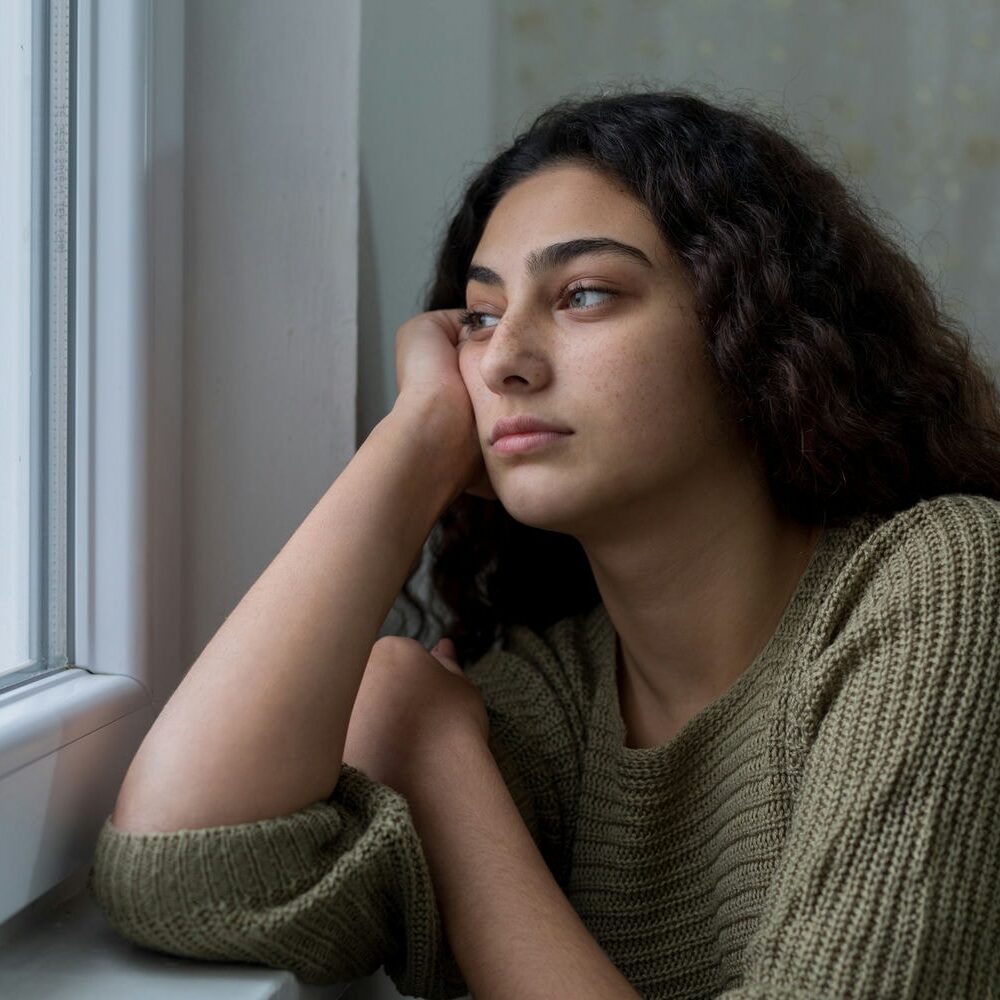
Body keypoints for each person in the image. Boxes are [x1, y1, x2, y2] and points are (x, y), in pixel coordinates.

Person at [87, 88, 1000, 999]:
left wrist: (440, 768)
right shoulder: (555, 700)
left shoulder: (947, 578)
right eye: (479, 318)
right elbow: (182, 872)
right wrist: (416, 439)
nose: (502, 360)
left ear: (752, 329)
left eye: (585, 295)